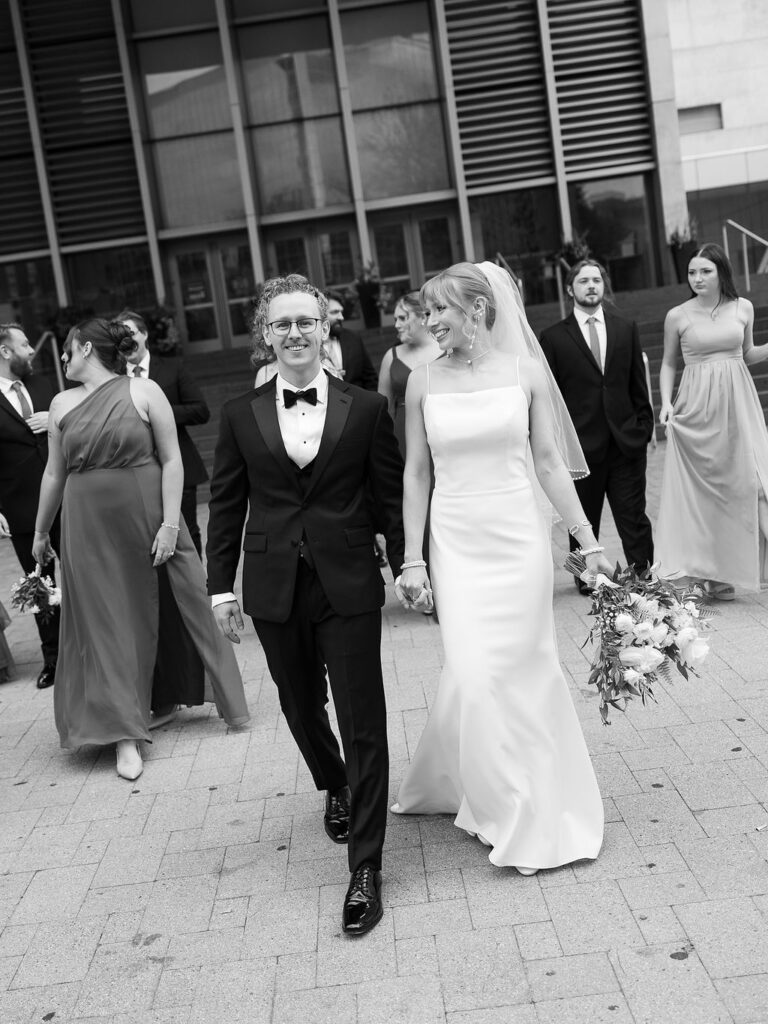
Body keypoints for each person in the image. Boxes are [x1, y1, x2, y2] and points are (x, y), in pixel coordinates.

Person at [393, 261, 609, 874]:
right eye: (428, 310)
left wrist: (587, 542)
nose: (429, 321)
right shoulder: (422, 382)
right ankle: (495, 797)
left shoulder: (527, 373)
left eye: (440, 310)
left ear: (478, 311)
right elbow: (416, 474)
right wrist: (413, 557)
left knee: (525, 666)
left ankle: (533, 797)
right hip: (456, 540)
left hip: (517, 537)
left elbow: (547, 462)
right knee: (474, 671)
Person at [206, 274, 404, 936]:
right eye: (282, 323)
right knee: (297, 704)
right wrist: (221, 587)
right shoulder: (240, 414)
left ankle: (366, 868)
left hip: (346, 581)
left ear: (326, 328)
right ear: (266, 335)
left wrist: (408, 561)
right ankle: (334, 781)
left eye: (306, 322)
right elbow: (227, 504)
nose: (295, 333)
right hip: (272, 585)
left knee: (363, 718)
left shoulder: (367, 408)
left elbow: (390, 495)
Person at [32, 319, 249, 782]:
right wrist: (40, 532)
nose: (64, 360)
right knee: (104, 619)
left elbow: (172, 459)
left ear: (87, 348)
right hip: (86, 526)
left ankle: (184, 698)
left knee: (182, 599)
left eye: (68, 351)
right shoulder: (60, 403)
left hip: (149, 516)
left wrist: (171, 525)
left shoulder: (145, 391)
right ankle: (125, 734)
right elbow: (54, 474)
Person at [656, 242, 768, 598]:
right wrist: (665, 403)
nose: (697, 277)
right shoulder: (678, 315)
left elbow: (748, 353)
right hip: (696, 408)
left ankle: (734, 568)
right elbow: (669, 362)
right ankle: (708, 576)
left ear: (721, 271)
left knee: (752, 482)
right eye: (692, 272)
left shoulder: (743, 307)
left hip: (738, 404)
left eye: (705, 270)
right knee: (704, 490)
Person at [540, 260, 655, 594]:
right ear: (570, 289)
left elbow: (637, 384)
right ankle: (585, 579)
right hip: (580, 450)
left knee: (634, 519)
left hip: (625, 444)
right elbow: (551, 397)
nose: (591, 285)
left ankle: (643, 579)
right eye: (583, 280)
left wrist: (643, 427)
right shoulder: (553, 337)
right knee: (581, 519)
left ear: (604, 286)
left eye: (596, 280)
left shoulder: (625, 327)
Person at [117, 310, 210, 558]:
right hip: (135, 471)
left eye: (132, 333)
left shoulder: (172, 367)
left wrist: (158, 412)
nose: (127, 340)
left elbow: (201, 411)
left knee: (187, 531)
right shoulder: (114, 377)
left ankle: (198, 588)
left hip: (179, 463)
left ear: (144, 334)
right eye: (121, 336)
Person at [0, 323, 59, 688]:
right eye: (24, 344)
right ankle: (53, 658)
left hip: (67, 498)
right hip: (20, 507)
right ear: (5, 352)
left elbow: (74, 423)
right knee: (40, 584)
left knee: (85, 573)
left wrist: (54, 419)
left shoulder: (44, 385)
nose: (32, 349)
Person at [378, 291, 442, 456]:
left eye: (402, 318)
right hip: (403, 433)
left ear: (422, 317)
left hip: (443, 426)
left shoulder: (446, 349)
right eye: (395, 319)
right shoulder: (391, 356)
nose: (396, 325)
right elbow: (385, 409)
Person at [325, 290, 378, 390]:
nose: (341, 317)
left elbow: (370, 378)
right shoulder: (311, 343)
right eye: (335, 312)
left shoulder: (353, 338)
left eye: (341, 312)